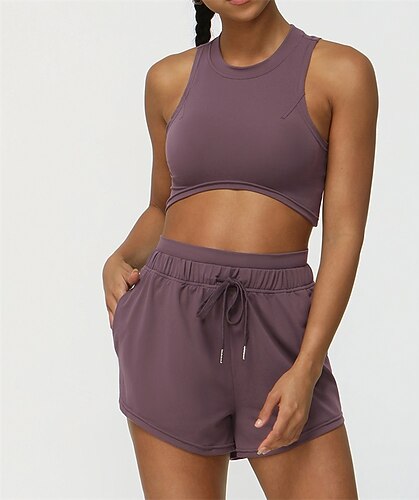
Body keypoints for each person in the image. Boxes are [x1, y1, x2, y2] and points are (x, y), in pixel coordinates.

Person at [102, 0, 378, 497]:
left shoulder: (342, 73)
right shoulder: (167, 80)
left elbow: (343, 235)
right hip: (169, 325)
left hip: (281, 332)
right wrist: (119, 258)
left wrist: (307, 367)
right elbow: (162, 207)